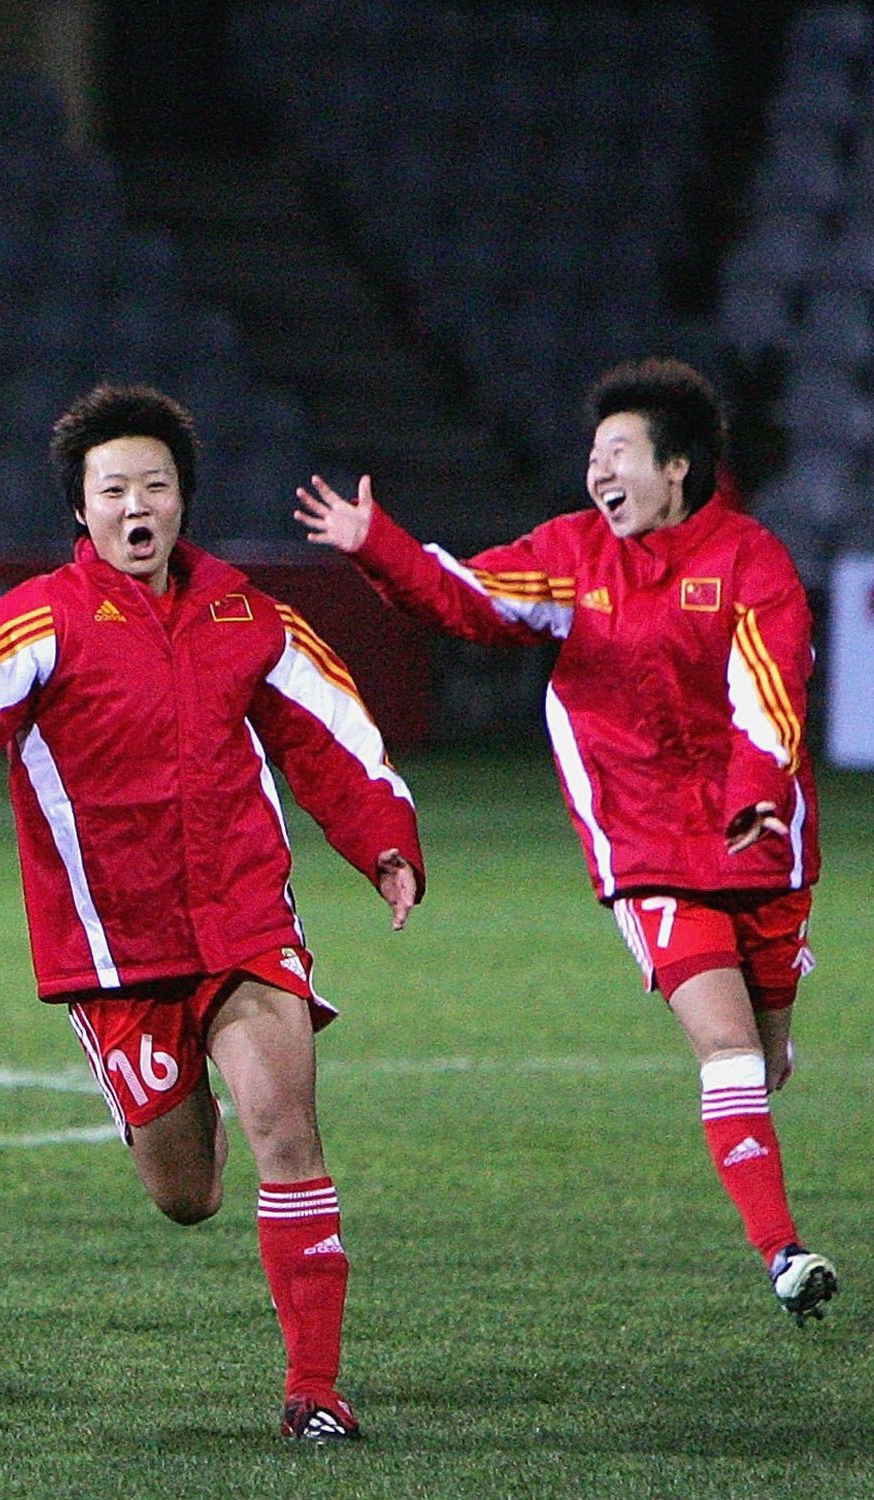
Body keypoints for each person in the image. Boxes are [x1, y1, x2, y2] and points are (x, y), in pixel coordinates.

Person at [0, 385, 422, 1441]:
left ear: (184, 502)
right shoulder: (40, 621)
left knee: (288, 1129)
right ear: (80, 512)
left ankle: (314, 1392)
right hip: (115, 951)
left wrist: (386, 843)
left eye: (157, 486)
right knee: (187, 1195)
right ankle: (182, 1103)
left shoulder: (247, 615)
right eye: (114, 489)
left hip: (243, 921)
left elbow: (337, 740)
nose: (138, 506)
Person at [296, 357, 837, 1325]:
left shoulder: (751, 562)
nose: (599, 473)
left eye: (618, 454)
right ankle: (783, 1253)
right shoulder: (575, 555)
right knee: (722, 1044)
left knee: (761, 1044)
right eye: (594, 456)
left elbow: (772, 690)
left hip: (757, 840)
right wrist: (377, 545)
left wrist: (757, 795)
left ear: (678, 469)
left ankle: (778, 1013)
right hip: (644, 846)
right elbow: (472, 600)